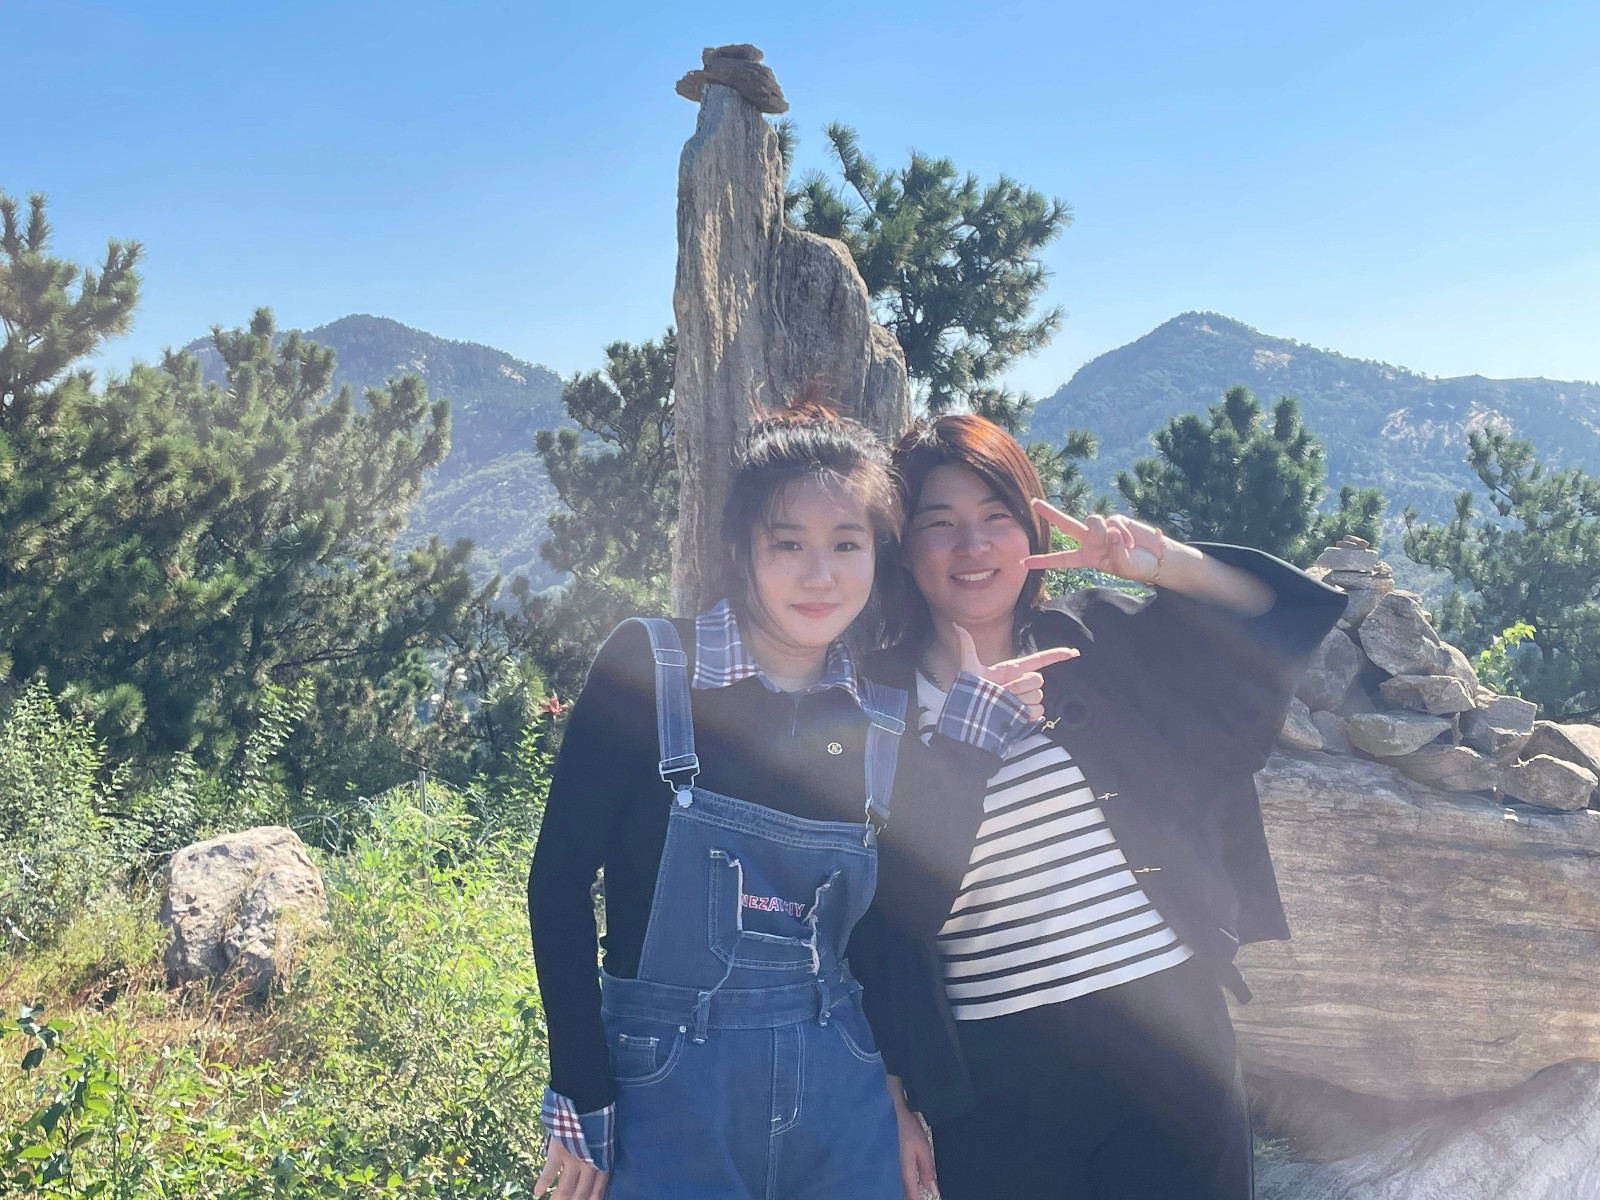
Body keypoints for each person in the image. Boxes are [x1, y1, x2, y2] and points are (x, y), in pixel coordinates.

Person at [526, 402, 1059, 1200]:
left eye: (846, 544)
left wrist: (968, 747)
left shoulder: (880, 712)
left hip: (840, 1086)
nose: (820, 575)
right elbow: (558, 882)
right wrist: (580, 1088)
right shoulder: (652, 666)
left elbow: (904, 917)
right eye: (788, 545)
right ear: (741, 551)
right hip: (663, 1089)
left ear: (877, 553)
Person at [860, 414, 1346, 1200]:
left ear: (1030, 530)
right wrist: (891, 1094)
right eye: (938, 523)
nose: (972, 545)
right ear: (905, 548)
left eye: (996, 516)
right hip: (994, 1075)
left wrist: (1167, 564)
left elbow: (1279, 620)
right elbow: (871, 916)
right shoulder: (873, 699)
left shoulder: (1101, 640)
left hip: (1169, 1039)